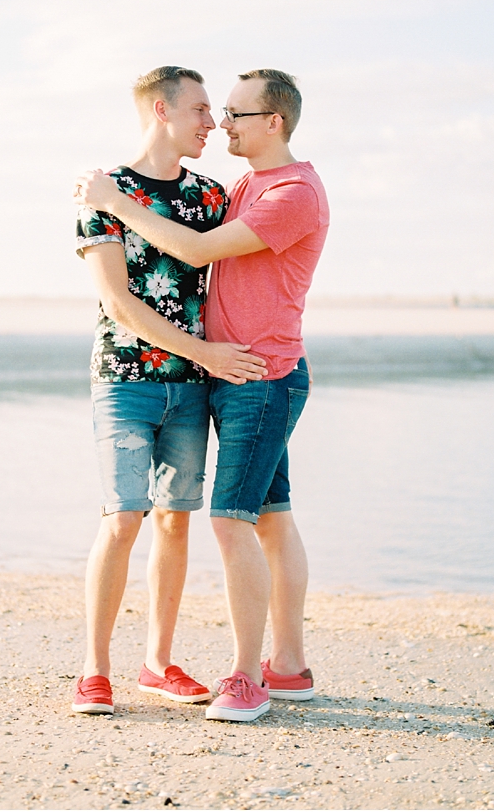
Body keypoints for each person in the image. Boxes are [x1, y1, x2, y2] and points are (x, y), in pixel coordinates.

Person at [76, 68, 330, 724]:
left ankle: (240, 674)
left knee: (223, 518)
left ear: (271, 122)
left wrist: (117, 201)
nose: (218, 123)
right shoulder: (243, 185)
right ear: (162, 110)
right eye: (209, 109)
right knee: (260, 517)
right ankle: (284, 666)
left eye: (233, 113)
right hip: (188, 377)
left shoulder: (269, 193)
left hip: (247, 375)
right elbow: (119, 297)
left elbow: (193, 250)